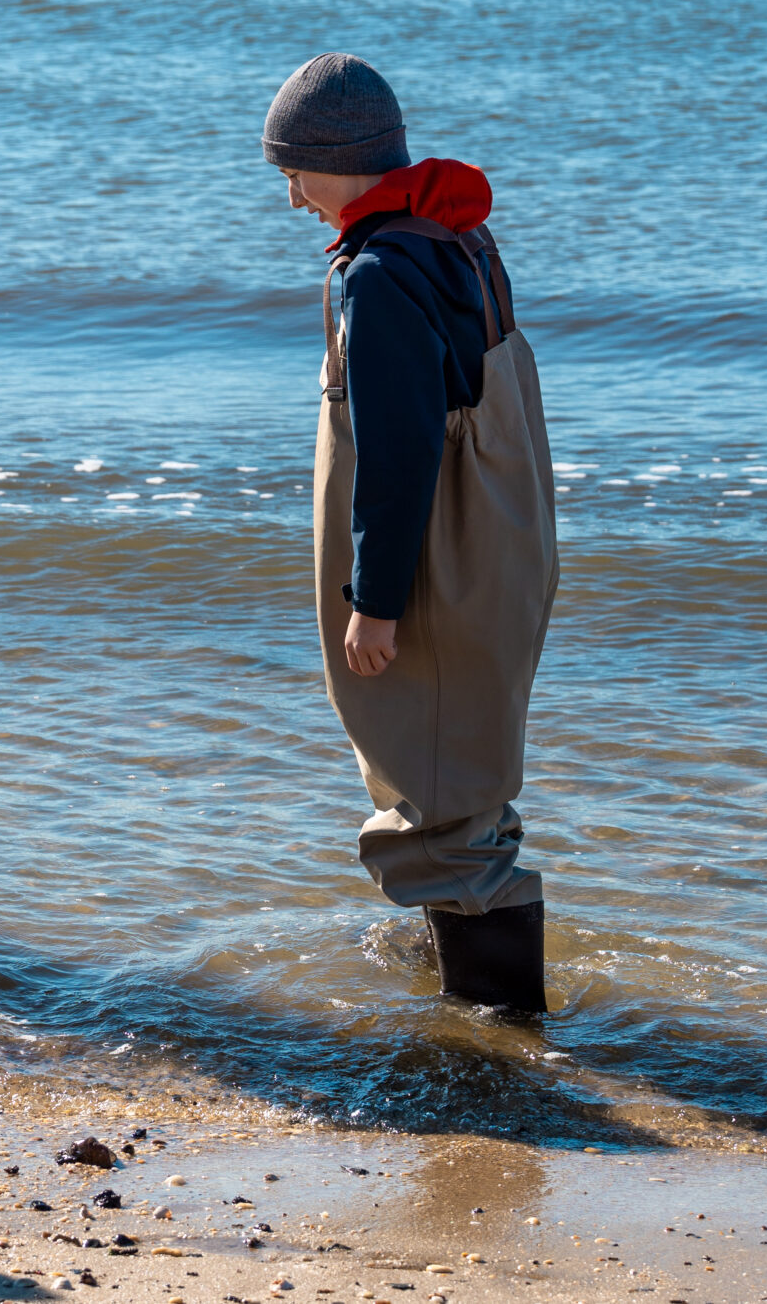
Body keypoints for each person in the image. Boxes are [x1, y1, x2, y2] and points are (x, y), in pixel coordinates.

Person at [267, 52, 560, 1011]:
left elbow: (397, 460)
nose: (294, 198)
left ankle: (500, 1047)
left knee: (440, 805)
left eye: (293, 174)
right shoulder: (458, 239)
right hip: (503, 547)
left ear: (335, 160)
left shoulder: (383, 276)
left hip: (434, 563)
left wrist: (375, 603)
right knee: (469, 784)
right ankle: (474, 999)